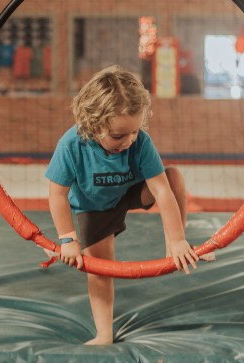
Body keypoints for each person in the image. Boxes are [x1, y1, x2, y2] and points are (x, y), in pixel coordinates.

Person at [46, 65, 199, 345]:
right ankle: (104, 334)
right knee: (100, 267)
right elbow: (57, 195)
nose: (128, 141)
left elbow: (162, 190)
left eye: (134, 132)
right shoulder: (71, 145)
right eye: (118, 136)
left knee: (173, 176)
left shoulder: (139, 142)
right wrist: (68, 239)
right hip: (94, 205)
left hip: (130, 189)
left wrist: (177, 239)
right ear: (93, 124)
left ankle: (176, 244)